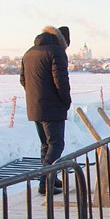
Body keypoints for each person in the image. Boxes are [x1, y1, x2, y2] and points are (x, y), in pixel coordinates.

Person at [20, 26, 72, 194]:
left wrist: (36, 95)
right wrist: (65, 101)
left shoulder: (29, 52)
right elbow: (61, 81)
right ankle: (45, 182)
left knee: (45, 145)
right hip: (52, 107)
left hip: (34, 106)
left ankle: (51, 178)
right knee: (56, 144)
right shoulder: (56, 52)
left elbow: (23, 80)